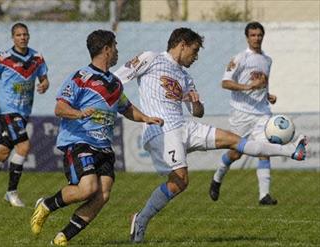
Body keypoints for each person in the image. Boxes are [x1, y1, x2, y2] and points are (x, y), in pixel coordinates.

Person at [114, 27, 308, 243]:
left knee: (234, 141)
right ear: (182, 44)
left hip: (184, 126)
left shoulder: (185, 76)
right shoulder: (150, 58)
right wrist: (131, 112)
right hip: (161, 129)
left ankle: (293, 151)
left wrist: (195, 102)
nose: (196, 57)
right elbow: (115, 81)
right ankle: (140, 219)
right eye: (194, 51)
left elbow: (198, 113)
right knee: (180, 181)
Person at [30, 29, 163, 246]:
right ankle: (46, 205)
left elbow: (126, 108)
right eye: (115, 46)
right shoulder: (81, 77)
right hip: (80, 141)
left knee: (103, 194)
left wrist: (146, 118)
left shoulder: (115, 83)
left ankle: (62, 238)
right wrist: (79, 113)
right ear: (106, 49)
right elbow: (60, 108)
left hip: (104, 147)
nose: (118, 51)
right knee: (88, 188)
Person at [209, 21, 280, 205]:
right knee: (236, 154)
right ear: (247, 37)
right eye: (253, 35)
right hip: (241, 114)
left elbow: (263, 84)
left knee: (265, 150)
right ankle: (217, 178)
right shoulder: (240, 58)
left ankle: (264, 196)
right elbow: (225, 83)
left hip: (262, 113)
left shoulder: (267, 60)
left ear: (263, 36)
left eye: (259, 35)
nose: (257, 38)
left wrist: (268, 95)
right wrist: (249, 86)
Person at [0, 22, 49, 207]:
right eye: (18, 35)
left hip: (24, 111)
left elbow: (44, 79)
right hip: (7, 110)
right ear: (13, 38)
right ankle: (11, 192)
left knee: (2, 152)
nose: (22, 37)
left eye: (25, 34)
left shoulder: (37, 58)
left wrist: (44, 85)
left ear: (28, 36)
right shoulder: (3, 58)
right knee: (23, 147)